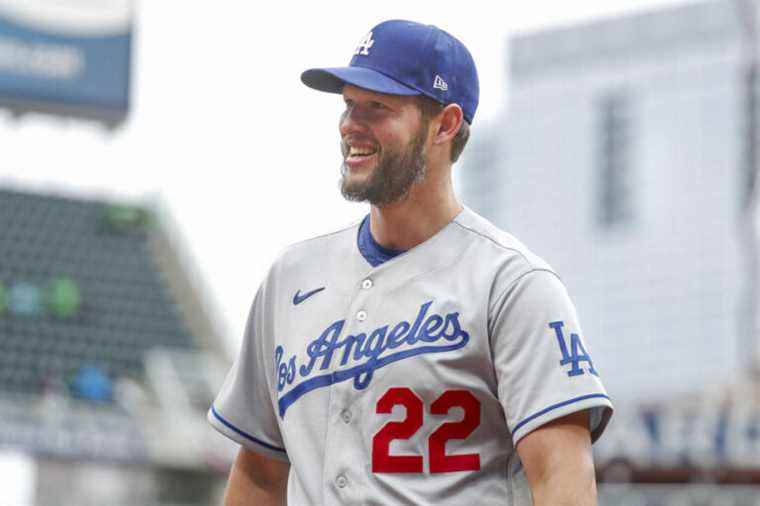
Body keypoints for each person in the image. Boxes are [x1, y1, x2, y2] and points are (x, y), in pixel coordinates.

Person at [208, 19, 613, 506]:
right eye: (348, 104)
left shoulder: (513, 285)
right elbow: (257, 476)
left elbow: (562, 480)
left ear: (444, 124)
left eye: (377, 107)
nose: (350, 124)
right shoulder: (291, 278)